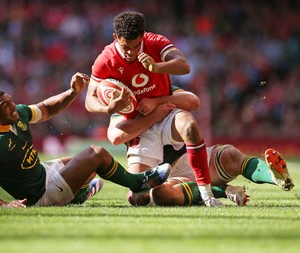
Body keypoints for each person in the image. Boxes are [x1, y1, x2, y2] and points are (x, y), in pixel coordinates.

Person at [0, 73, 171, 208]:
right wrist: (4, 205)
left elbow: (47, 108)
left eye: (11, 101)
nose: (13, 106)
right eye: (6, 105)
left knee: (90, 169)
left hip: (43, 172)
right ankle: (139, 182)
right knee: (95, 154)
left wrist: (72, 92)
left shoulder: (17, 114)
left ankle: (78, 196)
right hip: (40, 196)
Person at [85, 11, 222, 207]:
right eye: (125, 47)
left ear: (143, 35)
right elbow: (89, 101)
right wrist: (109, 107)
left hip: (166, 113)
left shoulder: (155, 42)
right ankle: (211, 189)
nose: (131, 52)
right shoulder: (105, 60)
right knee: (139, 198)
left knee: (189, 125)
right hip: (140, 126)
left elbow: (184, 66)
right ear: (116, 37)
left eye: (135, 46)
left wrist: (156, 67)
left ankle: (208, 194)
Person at [108, 110, 295, 206]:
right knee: (157, 195)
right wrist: (155, 114)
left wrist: (166, 100)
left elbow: (191, 101)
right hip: (162, 174)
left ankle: (275, 178)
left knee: (230, 156)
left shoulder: (161, 89)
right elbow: (115, 135)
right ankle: (224, 190)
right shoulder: (123, 108)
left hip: (190, 156)